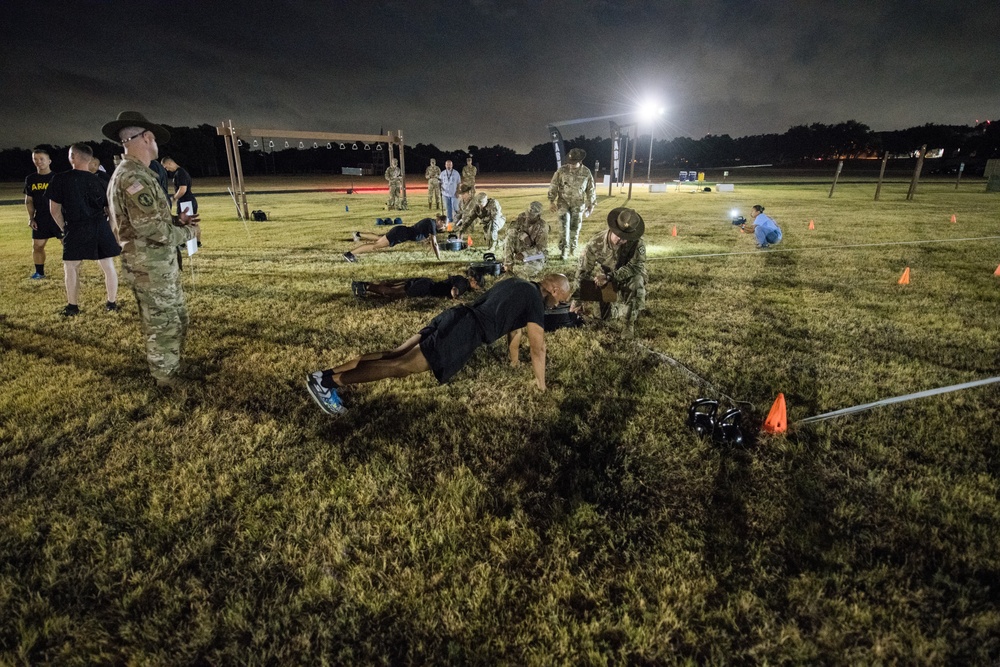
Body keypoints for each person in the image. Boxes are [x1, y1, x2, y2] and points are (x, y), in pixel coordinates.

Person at [306, 274, 572, 414]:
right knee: (400, 366)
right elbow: (539, 347)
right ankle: (329, 384)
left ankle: (324, 376)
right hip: (463, 332)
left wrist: (514, 363)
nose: (558, 305)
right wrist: (542, 387)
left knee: (395, 353)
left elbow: (515, 332)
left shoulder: (518, 284)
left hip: (454, 317)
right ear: (555, 290)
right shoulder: (535, 300)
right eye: (561, 300)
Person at [103, 111, 200, 389]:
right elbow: (152, 231)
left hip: (157, 264)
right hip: (150, 266)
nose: (156, 144)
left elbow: (148, 221)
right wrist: (188, 232)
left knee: (176, 316)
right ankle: (165, 377)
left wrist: (174, 220)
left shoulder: (137, 174)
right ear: (146, 138)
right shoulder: (134, 178)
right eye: (154, 138)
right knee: (163, 323)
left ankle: (172, 365)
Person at [47, 143, 122, 316]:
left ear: (73, 156)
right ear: (89, 159)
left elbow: (54, 210)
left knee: (71, 267)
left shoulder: (60, 179)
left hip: (75, 226)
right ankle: (111, 303)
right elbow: (112, 210)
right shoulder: (101, 181)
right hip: (99, 225)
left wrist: (64, 229)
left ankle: (72, 307)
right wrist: (108, 228)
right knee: (108, 266)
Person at [573, 207, 647, 337]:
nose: (620, 241)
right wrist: (577, 301)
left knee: (637, 281)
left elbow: (636, 267)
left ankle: (628, 324)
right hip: (606, 281)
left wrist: (610, 276)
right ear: (612, 229)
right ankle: (623, 308)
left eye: (625, 238)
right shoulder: (596, 243)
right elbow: (583, 272)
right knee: (602, 317)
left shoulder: (637, 244)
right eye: (618, 236)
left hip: (627, 277)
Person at [548, 147, 596, 260]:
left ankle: (572, 248)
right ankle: (564, 250)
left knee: (575, 227)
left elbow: (591, 189)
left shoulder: (586, 172)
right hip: (563, 203)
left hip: (578, 204)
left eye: (574, 163)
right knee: (564, 226)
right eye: (570, 162)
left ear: (580, 161)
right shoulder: (562, 170)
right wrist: (551, 201)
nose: (571, 165)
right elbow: (554, 185)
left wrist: (591, 204)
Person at [24, 146, 62, 280]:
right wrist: (31, 218)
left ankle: (73, 271)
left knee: (67, 245)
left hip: (58, 217)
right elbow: (29, 200)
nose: (38, 161)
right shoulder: (30, 179)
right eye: (35, 159)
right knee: (37, 246)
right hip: (41, 218)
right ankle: (39, 273)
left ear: (49, 161)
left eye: (42, 159)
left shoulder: (57, 178)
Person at [344, 214, 445, 262]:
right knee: (375, 246)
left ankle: (358, 234)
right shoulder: (432, 224)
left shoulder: (430, 222)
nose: (444, 228)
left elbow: (430, 242)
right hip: (400, 234)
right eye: (444, 225)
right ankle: (350, 254)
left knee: (379, 238)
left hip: (400, 231)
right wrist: (439, 258)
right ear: (439, 221)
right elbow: (434, 243)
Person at [162, 156, 201, 247]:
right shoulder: (181, 172)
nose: (167, 169)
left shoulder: (180, 173)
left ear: (170, 163)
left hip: (186, 201)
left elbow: (182, 189)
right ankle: (196, 242)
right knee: (193, 222)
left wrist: (174, 198)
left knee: (184, 222)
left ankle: (184, 244)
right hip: (188, 200)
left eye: (166, 167)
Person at [504, 201, 549, 278]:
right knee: (509, 238)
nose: (528, 216)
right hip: (522, 246)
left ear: (538, 215)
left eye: (531, 215)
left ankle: (521, 275)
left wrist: (524, 254)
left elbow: (540, 248)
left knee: (529, 271)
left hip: (535, 254)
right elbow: (511, 229)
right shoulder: (522, 217)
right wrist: (523, 235)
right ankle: (508, 266)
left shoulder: (543, 227)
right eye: (528, 213)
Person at [351, 273, 478, 300]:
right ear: (473, 282)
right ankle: (364, 286)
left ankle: (364, 284)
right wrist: (457, 298)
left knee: (394, 286)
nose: (476, 287)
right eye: (477, 285)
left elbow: (450, 278)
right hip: (425, 288)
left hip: (426, 281)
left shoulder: (461, 277)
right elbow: (454, 290)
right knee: (393, 292)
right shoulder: (464, 284)